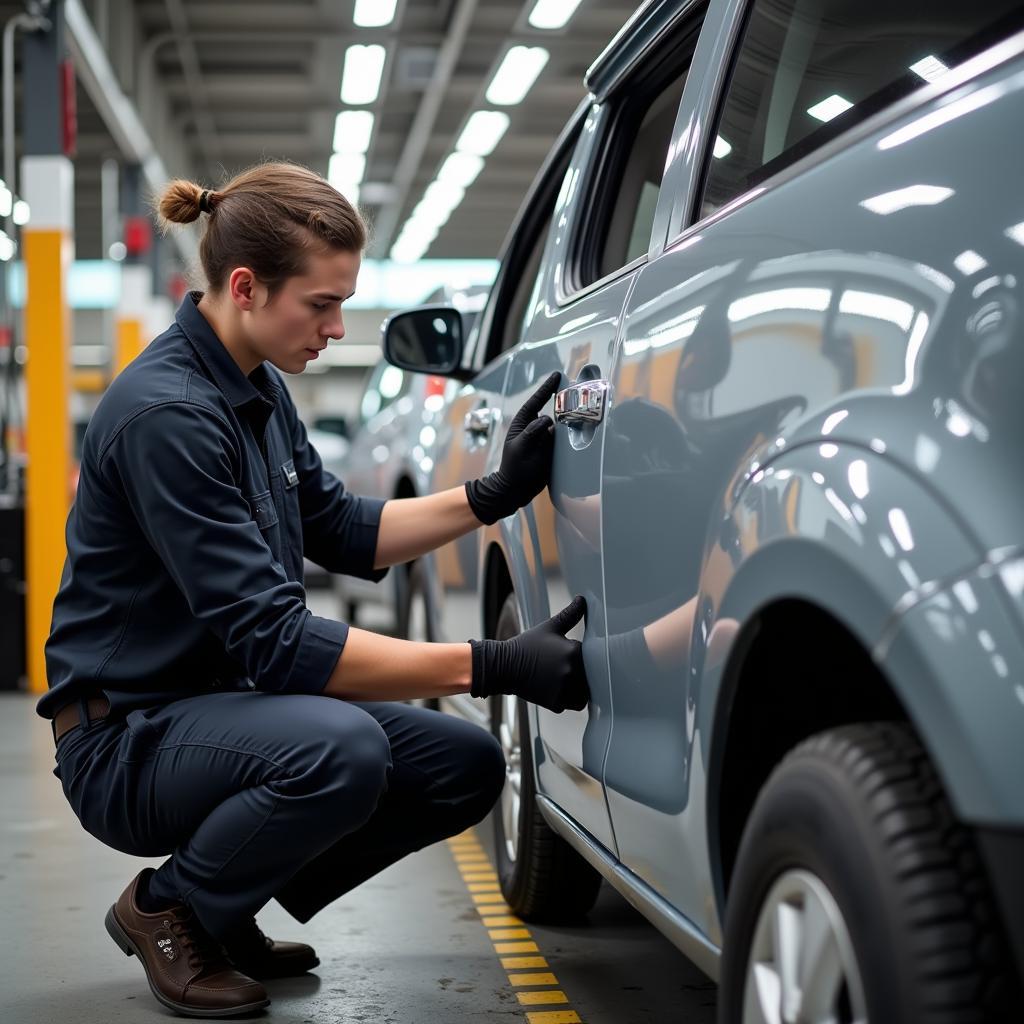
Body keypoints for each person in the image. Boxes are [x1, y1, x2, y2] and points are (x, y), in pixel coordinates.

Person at [37, 161, 589, 1019]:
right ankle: (170, 908)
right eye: (323, 304)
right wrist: (493, 664)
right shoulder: (169, 416)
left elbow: (342, 528)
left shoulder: (258, 387)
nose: (338, 327)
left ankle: (226, 903)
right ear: (248, 287)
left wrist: (490, 494)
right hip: (127, 742)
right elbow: (279, 643)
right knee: (340, 748)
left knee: (464, 764)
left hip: (220, 716)